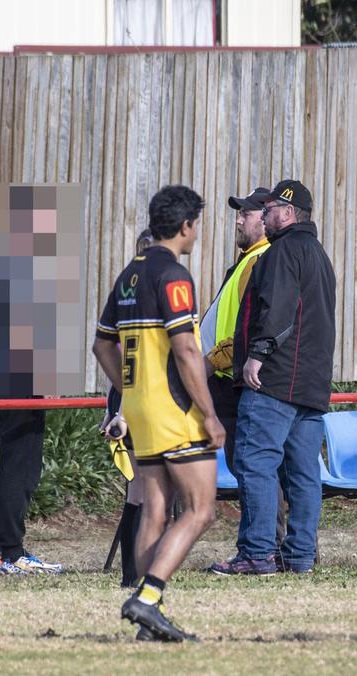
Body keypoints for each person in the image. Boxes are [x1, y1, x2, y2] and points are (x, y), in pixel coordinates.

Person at [93, 185, 226, 641]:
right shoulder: (173, 274)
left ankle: (149, 619)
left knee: (154, 508)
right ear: (187, 226)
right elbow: (187, 349)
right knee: (201, 508)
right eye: (196, 226)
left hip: (140, 409)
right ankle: (147, 598)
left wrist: (128, 392)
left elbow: (101, 344)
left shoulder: (129, 274)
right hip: (174, 409)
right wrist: (208, 414)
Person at [214, 179, 336, 576]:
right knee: (302, 472)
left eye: (268, 210)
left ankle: (257, 552)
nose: (263, 216)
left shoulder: (282, 252)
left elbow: (278, 311)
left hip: (276, 380)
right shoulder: (319, 255)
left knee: (255, 462)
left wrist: (257, 357)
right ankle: (299, 555)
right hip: (312, 385)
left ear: (287, 213)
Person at [200, 187, 271, 473]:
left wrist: (211, 361)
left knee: (252, 471)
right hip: (226, 378)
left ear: (265, 219)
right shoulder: (248, 259)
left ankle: (265, 521)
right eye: (238, 214)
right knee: (247, 470)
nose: (238, 220)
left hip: (232, 380)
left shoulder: (259, 260)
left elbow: (250, 328)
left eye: (245, 213)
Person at [101, 228, 157, 589]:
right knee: (148, 494)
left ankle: (131, 575)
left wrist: (113, 408)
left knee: (141, 493)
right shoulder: (152, 298)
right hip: (147, 405)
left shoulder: (126, 292)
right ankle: (138, 574)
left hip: (134, 403)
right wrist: (120, 410)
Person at [0, 407, 63, 575]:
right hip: (20, 386)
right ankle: (11, 555)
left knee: (12, 463)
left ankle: (4, 552)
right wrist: (49, 382)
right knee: (21, 468)